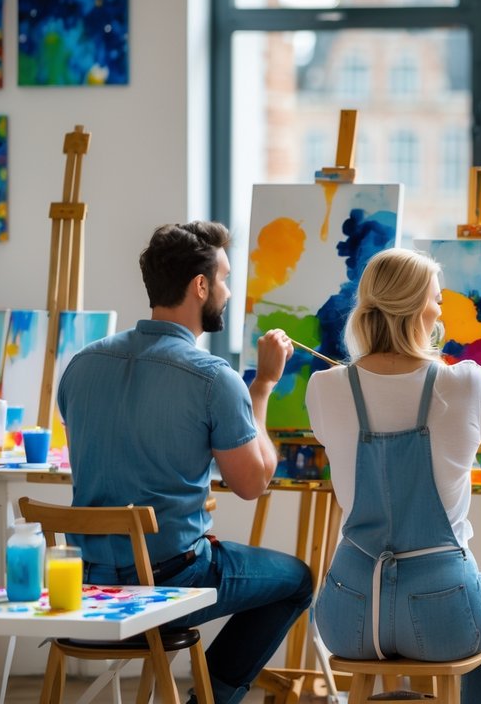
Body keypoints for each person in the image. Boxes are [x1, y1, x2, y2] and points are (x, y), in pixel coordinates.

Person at [58, 221, 314, 704]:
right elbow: (253, 482)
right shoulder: (213, 378)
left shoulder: (81, 364)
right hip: (167, 584)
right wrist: (261, 387)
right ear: (201, 286)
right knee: (297, 580)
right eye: (225, 279)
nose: (229, 290)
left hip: (85, 581)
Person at [306, 248, 481, 703]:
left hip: (348, 614)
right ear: (421, 308)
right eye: (438, 299)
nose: (441, 308)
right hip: (444, 614)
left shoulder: (324, 386)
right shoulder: (466, 381)